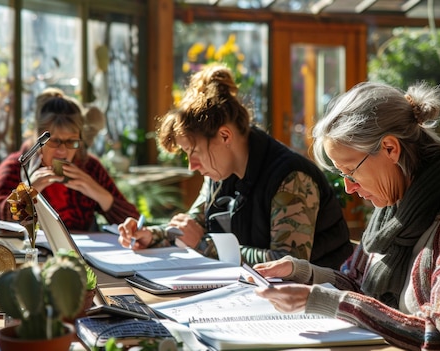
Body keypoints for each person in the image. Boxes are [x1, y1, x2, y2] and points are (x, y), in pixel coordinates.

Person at [252, 81, 440, 350]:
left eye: (350, 171)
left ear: (391, 148)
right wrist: (300, 273)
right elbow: (357, 284)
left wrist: (323, 300)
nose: (349, 187)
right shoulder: (392, 206)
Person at [118, 64, 353, 269]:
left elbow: (287, 263)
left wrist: (203, 245)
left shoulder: (291, 178)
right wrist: (151, 235)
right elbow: (193, 225)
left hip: (320, 303)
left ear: (224, 136)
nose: (192, 166)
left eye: (194, 151)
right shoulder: (219, 174)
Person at [0, 88, 139, 235]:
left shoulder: (88, 167)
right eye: (54, 141)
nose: (63, 151)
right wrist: (25, 194)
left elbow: (136, 226)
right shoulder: (16, 167)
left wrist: (99, 193)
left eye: (71, 142)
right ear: (38, 138)